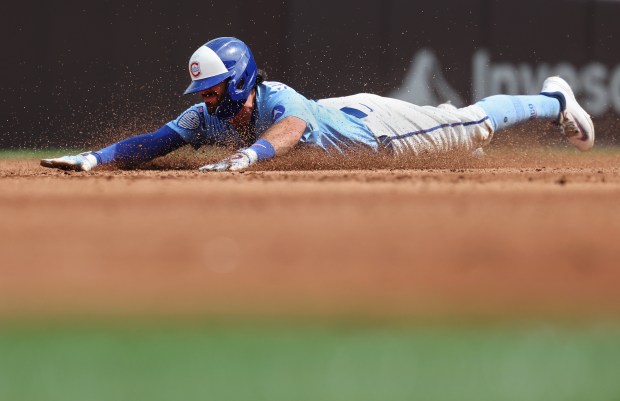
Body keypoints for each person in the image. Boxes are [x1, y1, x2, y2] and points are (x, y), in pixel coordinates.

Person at [40, 37, 594, 172]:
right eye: (201, 92)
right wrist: (94, 158)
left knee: (470, 126)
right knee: (462, 133)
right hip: (342, 111)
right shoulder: (207, 115)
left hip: (375, 133)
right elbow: (156, 142)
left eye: (211, 88)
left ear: (238, 81)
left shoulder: (277, 100)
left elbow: (291, 128)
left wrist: (247, 158)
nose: (204, 100)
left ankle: (554, 100)